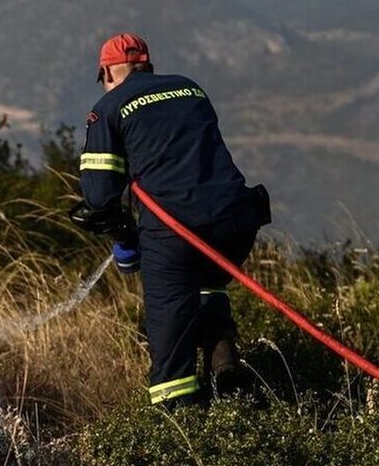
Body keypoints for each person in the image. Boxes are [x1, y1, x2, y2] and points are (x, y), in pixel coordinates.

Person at [70, 33, 270, 408]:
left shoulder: (108, 107)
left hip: (178, 231)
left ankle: (182, 434)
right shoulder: (190, 89)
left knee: (170, 335)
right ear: (147, 65)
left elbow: (98, 197)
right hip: (236, 220)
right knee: (207, 282)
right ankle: (225, 364)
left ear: (109, 71)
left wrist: (125, 239)